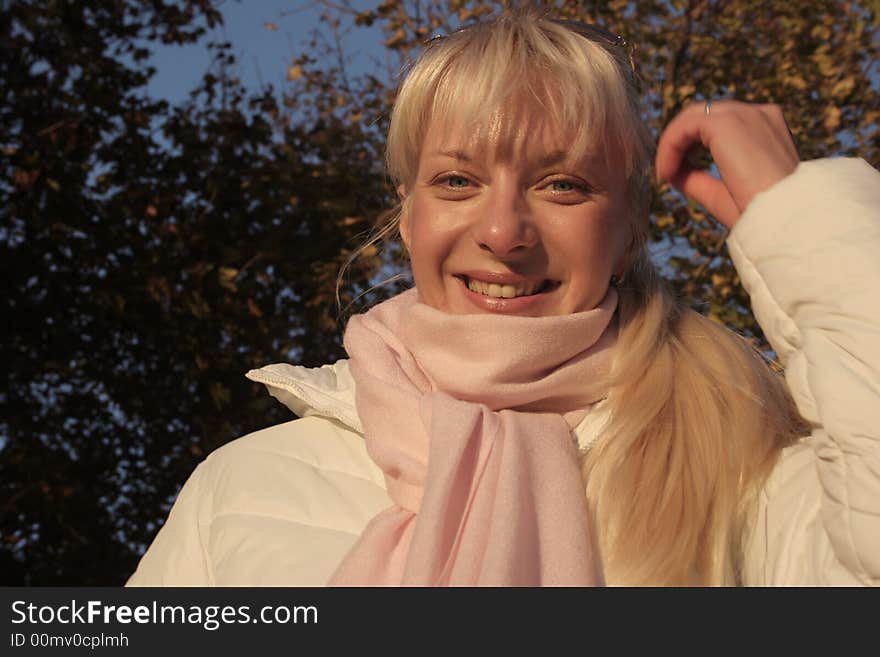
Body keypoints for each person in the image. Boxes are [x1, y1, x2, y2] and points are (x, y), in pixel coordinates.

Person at [126, 9, 879, 586]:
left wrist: (802, 214)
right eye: (457, 180)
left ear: (628, 233)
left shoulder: (742, 470)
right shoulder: (244, 484)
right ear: (409, 214)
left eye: (564, 184)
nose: (503, 230)